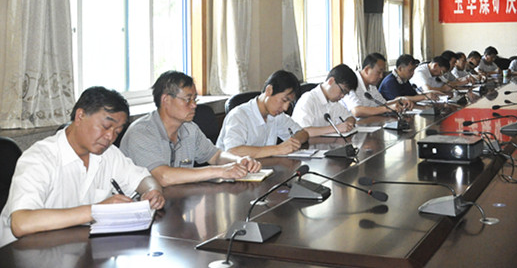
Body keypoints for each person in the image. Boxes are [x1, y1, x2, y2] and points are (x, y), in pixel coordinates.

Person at [0, 87, 165, 247]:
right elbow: (21, 224)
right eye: (106, 127)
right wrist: (97, 210)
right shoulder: (40, 158)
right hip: (23, 252)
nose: (110, 137)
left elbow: (144, 179)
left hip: (75, 247)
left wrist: (152, 191)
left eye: (117, 132)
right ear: (80, 116)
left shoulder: (108, 154)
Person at [121, 71, 261, 186]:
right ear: (166, 100)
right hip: (141, 206)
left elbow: (216, 156)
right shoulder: (141, 133)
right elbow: (163, 177)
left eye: (195, 99)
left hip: (179, 201)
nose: (194, 105)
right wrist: (220, 171)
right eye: (188, 99)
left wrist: (239, 160)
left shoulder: (189, 129)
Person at [216, 70, 310, 158]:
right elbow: (232, 152)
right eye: (284, 100)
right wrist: (277, 149)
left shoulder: (277, 115)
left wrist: (292, 143)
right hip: (231, 169)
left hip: (263, 167)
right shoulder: (238, 116)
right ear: (269, 90)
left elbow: (303, 133)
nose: (285, 108)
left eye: (289, 103)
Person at [291, 64, 358, 137]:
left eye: (346, 94)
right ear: (331, 81)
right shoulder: (307, 100)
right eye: (343, 91)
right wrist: (335, 128)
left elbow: (350, 117)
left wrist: (349, 123)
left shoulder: (334, 102)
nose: (343, 96)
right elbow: (301, 132)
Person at [341, 53, 411, 118]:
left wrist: (399, 100)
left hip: (370, 123)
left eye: (382, 72)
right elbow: (357, 111)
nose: (381, 76)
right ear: (367, 70)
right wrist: (386, 109)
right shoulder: (351, 82)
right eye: (379, 72)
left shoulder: (371, 84)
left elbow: (382, 104)